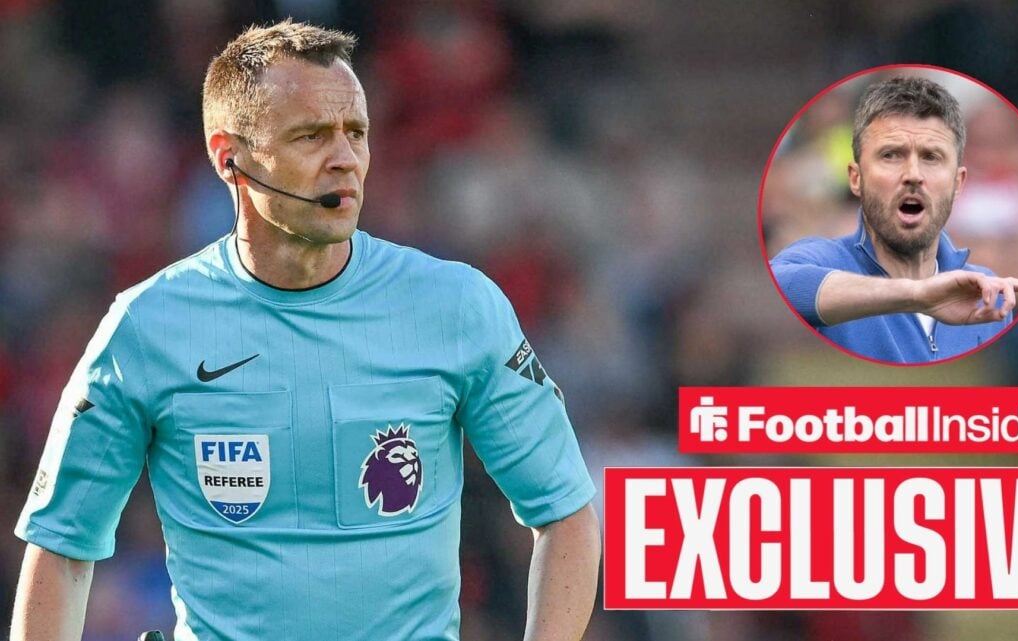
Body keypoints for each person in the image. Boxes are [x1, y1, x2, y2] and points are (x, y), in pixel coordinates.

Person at [11, 20, 599, 641]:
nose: (344, 158)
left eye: (356, 133)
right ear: (228, 158)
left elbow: (565, 513)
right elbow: (61, 549)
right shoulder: (146, 327)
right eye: (311, 135)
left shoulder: (457, 307)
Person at [769, 75, 1018, 363]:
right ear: (856, 178)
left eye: (931, 157)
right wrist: (917, 294)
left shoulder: (987, 292)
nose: (913, 174)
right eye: (891, 155)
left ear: (958, 183)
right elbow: (783, 284)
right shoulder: (819, 259)